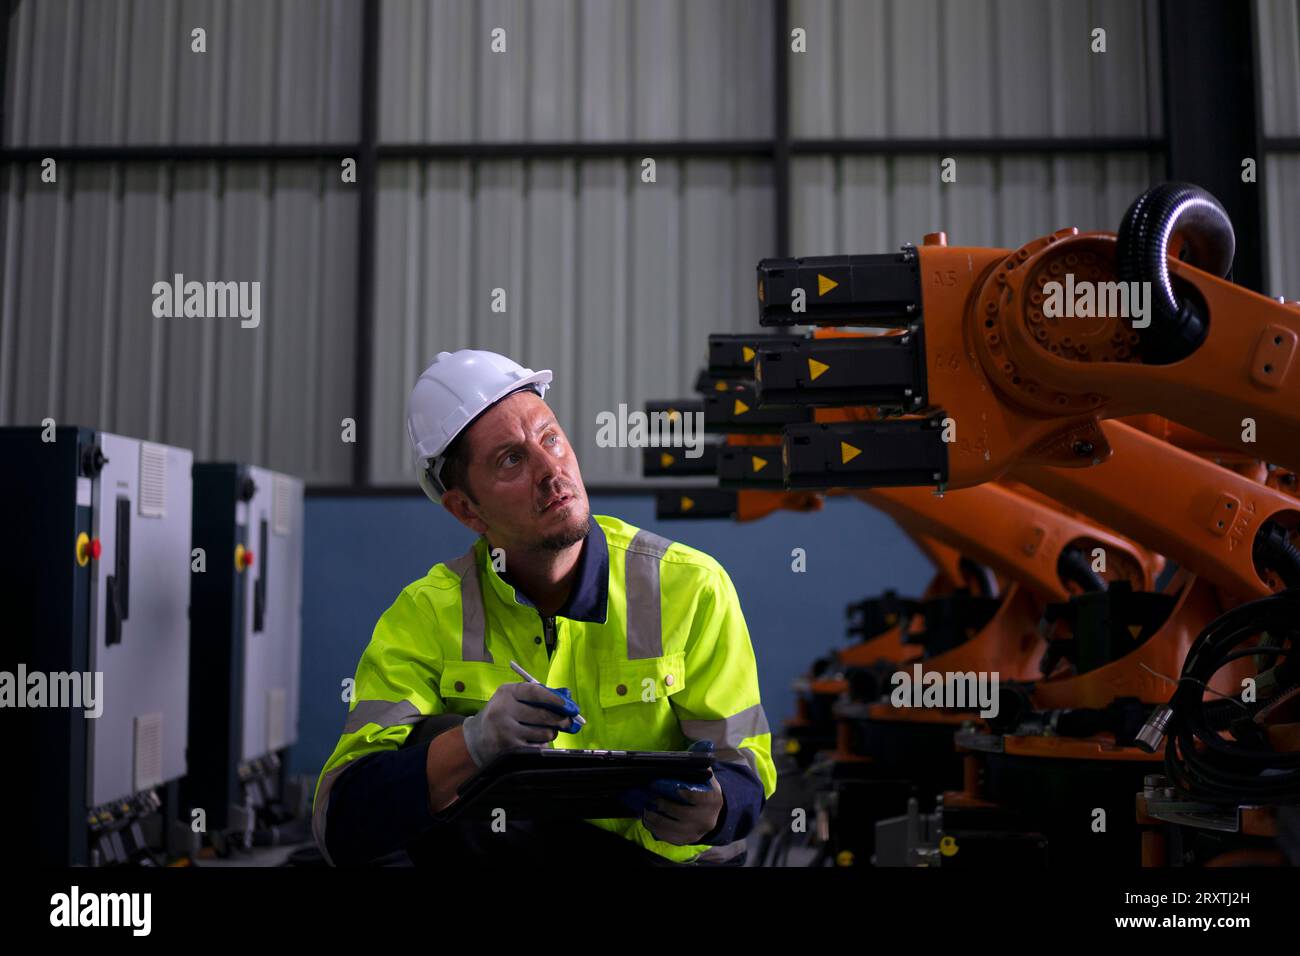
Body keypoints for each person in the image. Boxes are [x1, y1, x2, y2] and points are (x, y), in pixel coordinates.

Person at [312, 349, 775, 865]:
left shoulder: (690, 586)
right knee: (431, 778)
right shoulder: (426, 615)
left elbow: (747, 771)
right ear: (466, 509)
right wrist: (474, 744)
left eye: (550, 438)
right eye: (511, 459)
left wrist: (714, 808)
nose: (551, 470)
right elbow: (342, 821)